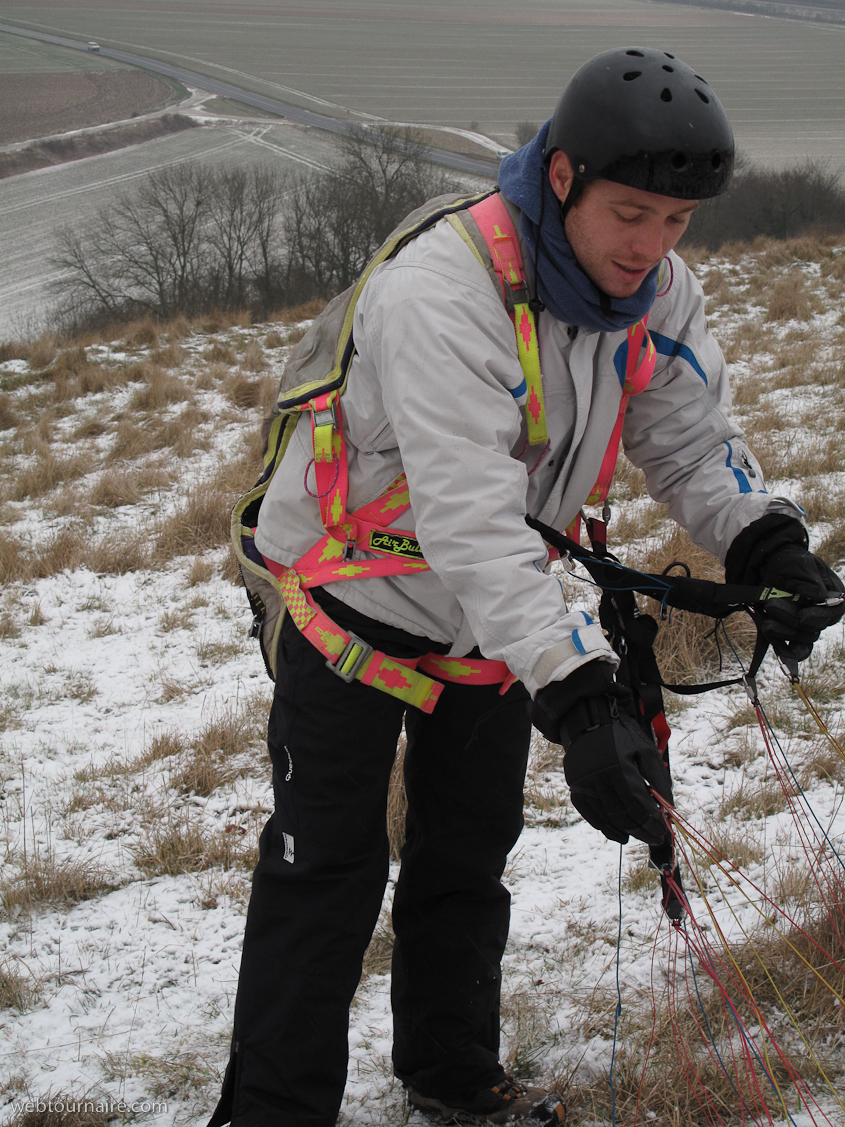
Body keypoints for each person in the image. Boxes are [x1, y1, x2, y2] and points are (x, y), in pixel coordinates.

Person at [209, 47, 843, 1127]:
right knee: (327, 867)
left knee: (466, 850)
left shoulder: (657, 293)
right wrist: (579, 693)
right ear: (560, 178)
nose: (649, 248)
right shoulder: (440, 292)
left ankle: (453, 1077)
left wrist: (764, 543)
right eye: (630, 212)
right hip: (345, 603)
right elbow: (467, 516)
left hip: (491, 619)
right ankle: (270, 1110)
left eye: (676, 222)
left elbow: (690, 448)